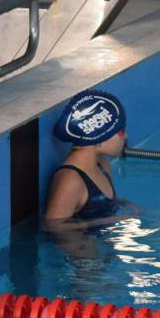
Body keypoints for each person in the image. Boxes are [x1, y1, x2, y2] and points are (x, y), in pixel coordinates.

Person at [44, 89, 129, 227]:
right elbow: (53, 227)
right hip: (82, 240)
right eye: (121, 131)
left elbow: (102, 203)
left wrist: (126, 204)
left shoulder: (103, 165)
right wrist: (108, 221)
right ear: (99, 138)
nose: (125, 137)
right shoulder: (70, 180)